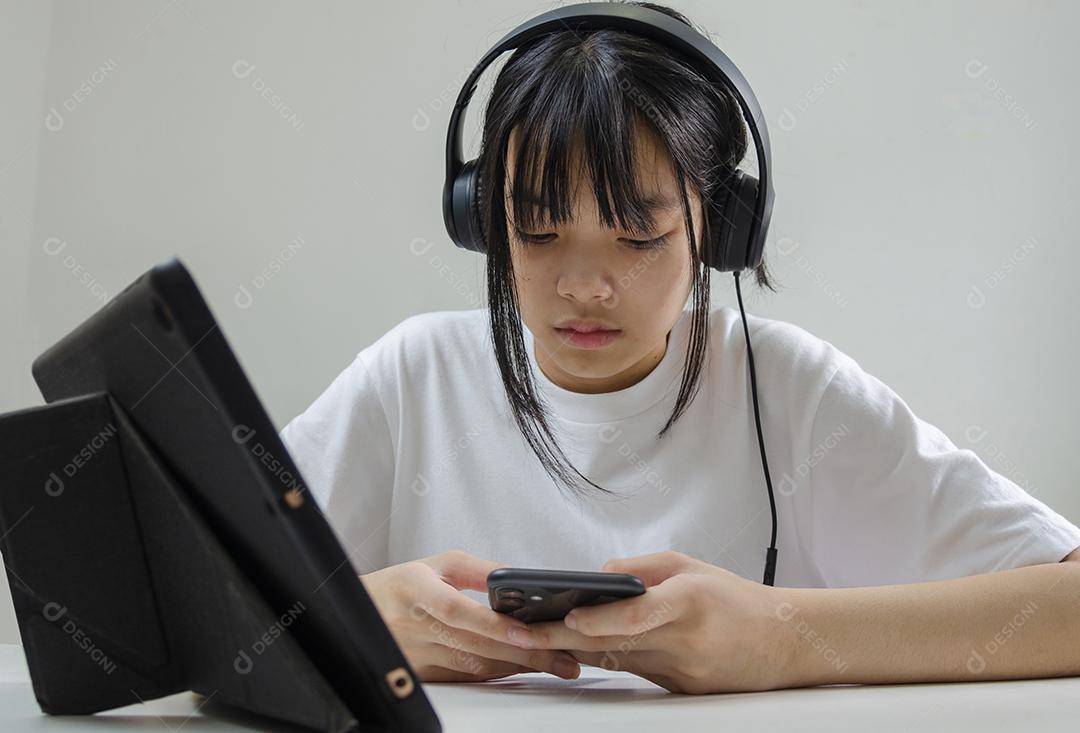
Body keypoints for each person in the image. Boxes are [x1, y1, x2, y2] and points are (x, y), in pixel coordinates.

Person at [280, 1, 1080, 694]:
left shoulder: (790, 393)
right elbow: (194, 601)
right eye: (539, 231)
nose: (585, 286)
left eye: (637, 238)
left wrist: (780, 636)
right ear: (485, 220)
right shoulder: (408, 378)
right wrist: (353, 618)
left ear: (719, 226)